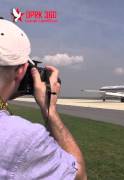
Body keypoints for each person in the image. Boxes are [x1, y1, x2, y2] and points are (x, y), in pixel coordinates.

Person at [0, 19, 86, 179]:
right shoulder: (24, 137)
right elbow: (79, 175)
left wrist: (6, 94)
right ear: (21, 70)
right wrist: (50, 110)